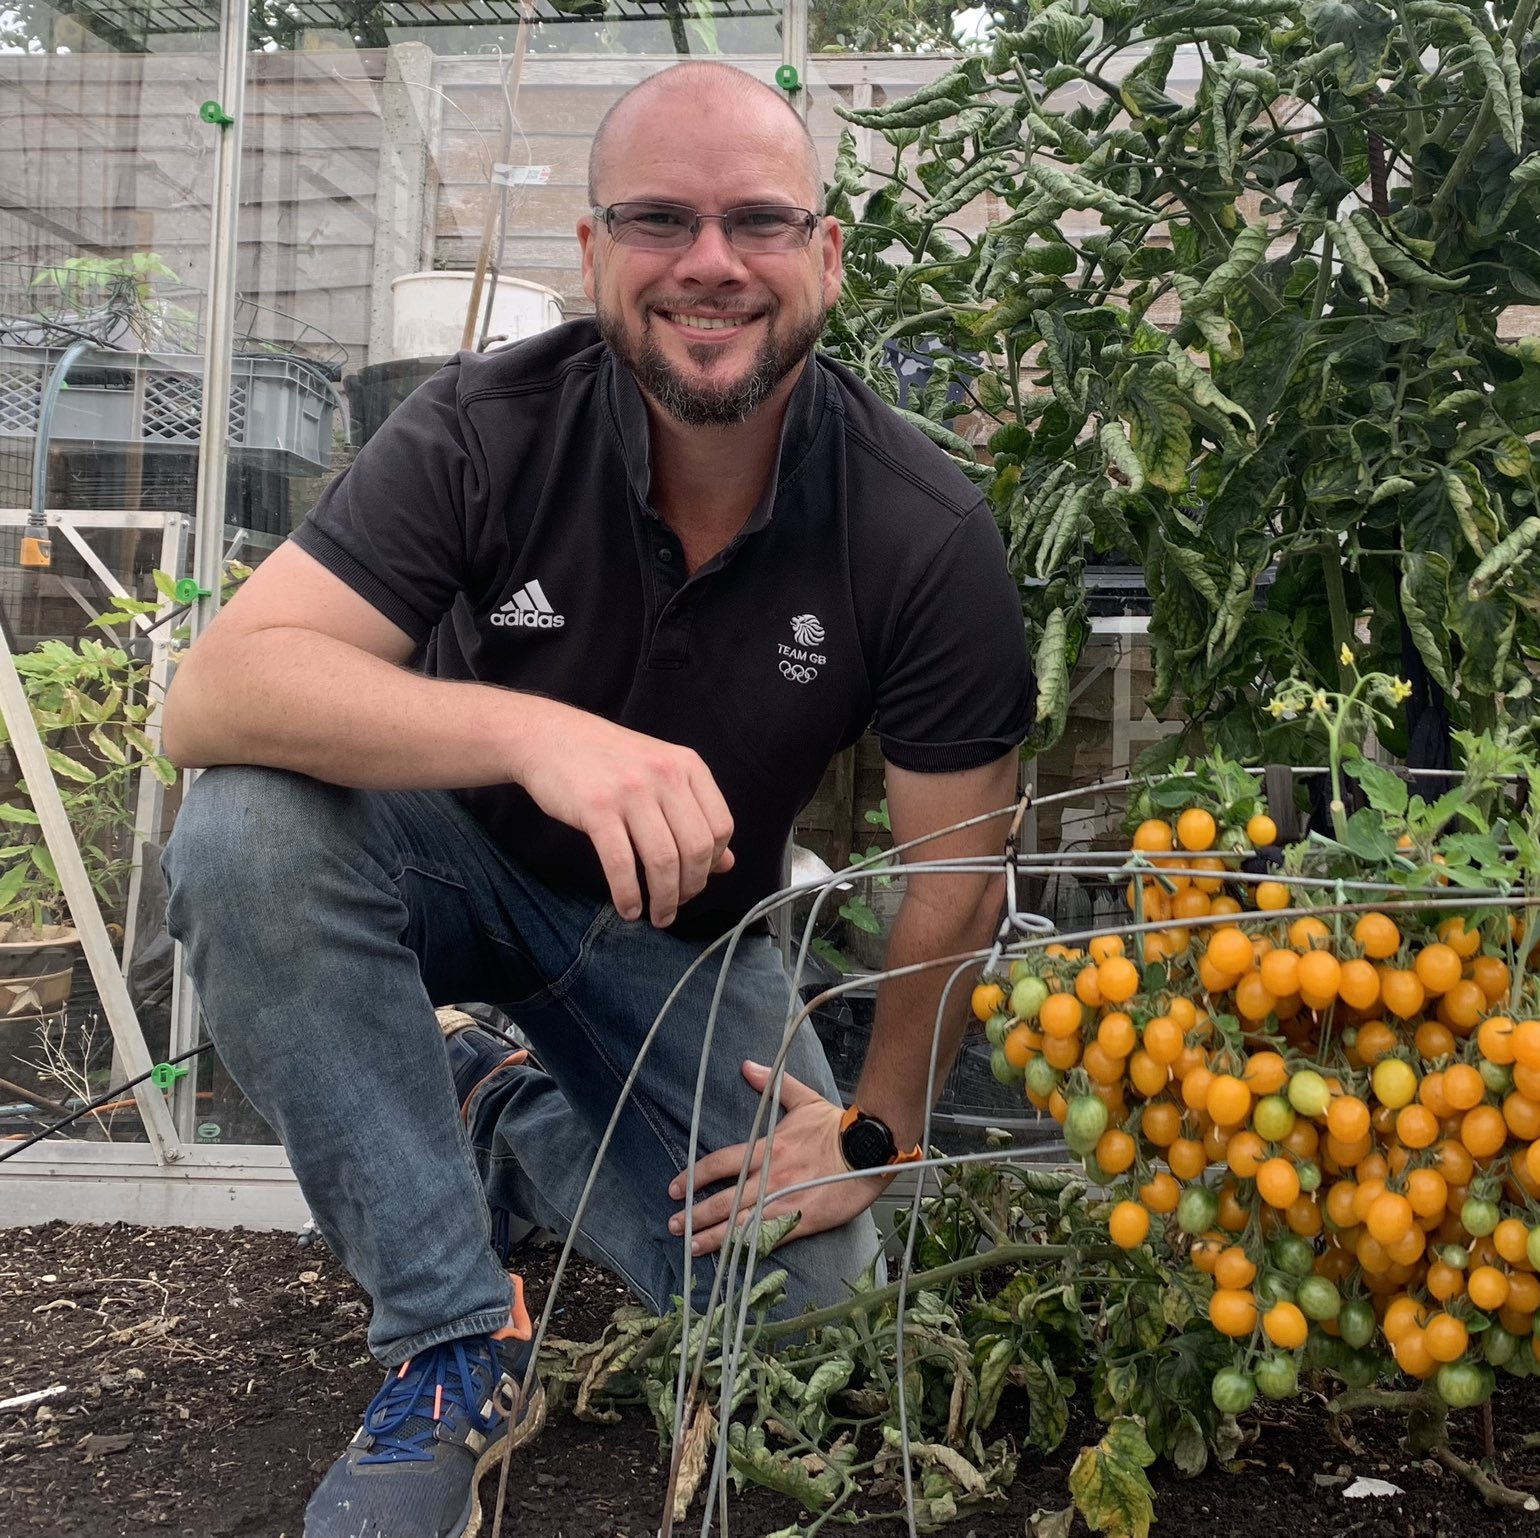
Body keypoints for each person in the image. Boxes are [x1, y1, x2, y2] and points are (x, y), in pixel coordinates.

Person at [160, 60, 1032, 1538]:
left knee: (804, 1310)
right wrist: (537, 734)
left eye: (758, 220)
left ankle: (502, 1123)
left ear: (824, 255)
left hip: (676, 937)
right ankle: (449, 1341)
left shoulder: (920, 530)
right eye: (659, 219)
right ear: (593, 255)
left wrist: (881, 1131)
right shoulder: (483, 429)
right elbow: (214, 697)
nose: (709, 261)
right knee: (243, 829)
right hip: (445, 860)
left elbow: (958, 869)